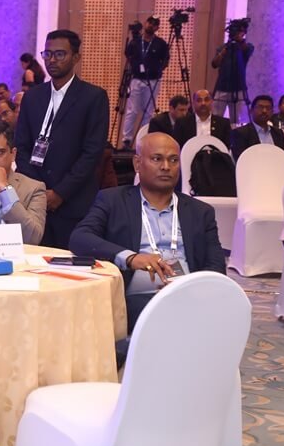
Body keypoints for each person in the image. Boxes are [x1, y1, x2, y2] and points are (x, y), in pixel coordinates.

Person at [69, 132, 225, 332]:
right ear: (137, 164)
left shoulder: (200, 212)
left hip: (187, 295)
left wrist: (193, 291)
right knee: (162, 316)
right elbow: (80, 238)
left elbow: (216, 266)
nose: (166, 167)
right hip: (135, 299)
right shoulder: (113, 201)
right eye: (157, 159)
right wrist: (130, 258)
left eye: (173, 160)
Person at [15, 29, 110, 249]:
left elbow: (92, 153)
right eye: (47, 54)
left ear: (76, 57)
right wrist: (38, 190)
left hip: (74, 202)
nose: (51, 60)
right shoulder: (32, 97)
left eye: (59, 54)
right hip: (33, 202)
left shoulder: (93, 97)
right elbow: (21, 147)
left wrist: (60, 193)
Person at [121, 16, 169, 149]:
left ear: (157, 28)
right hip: (136, 79)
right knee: (132, 110)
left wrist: (156, 70)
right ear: (145, 23)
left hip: (153, 80)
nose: (151, 25)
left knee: (148, 112)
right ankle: (126, 140)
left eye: (154, 24)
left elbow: (165, 61)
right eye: (149, 22)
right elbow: (128, 54)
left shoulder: (161, 43)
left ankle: (143, 140)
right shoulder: (136, 41)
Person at [211, 19, 254, 125]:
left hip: (238, 88)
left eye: (241, 31)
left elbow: (246, 50)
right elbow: (214, 64)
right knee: (216, 117)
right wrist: (225, 49)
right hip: (222, 87)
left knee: (236, 119)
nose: (238, 33)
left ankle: (235, 134)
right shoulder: (223, 48)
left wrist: (240, 41)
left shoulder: (247, 47)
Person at [230, 94, 284, 161]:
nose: (264, 111)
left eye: (268, 108)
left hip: (276, 165)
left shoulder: (278, 133)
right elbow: (240, 159)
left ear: (272, 112)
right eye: (260, 107)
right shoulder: (240, 133)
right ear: (251, 111)